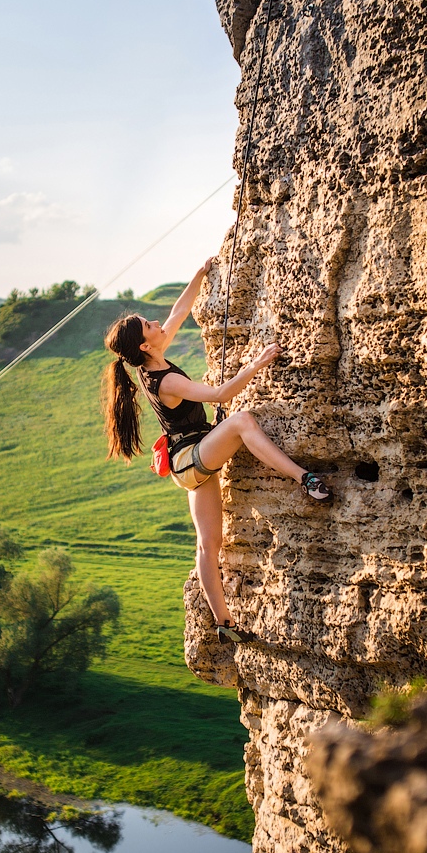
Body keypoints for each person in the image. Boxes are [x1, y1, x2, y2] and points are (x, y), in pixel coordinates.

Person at [102, 257, 332, 643]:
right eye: (149, 325)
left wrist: (202, 272)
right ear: (145, 344)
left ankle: (224, 624)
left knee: (209, 544)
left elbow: (180, 310)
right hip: (191, 458)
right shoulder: (166, 379)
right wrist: (258, 363)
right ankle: (304, 479)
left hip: (187, 464)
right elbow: (223, 394)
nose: (158, 323)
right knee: (242, 422)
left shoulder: (150, 358)